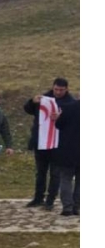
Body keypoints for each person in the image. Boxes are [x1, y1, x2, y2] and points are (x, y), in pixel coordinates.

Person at [23, 77, 76, 209]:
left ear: (67, 89)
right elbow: (29, 110)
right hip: (41, 140)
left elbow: (73, 122)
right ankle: (38, 198)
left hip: (58, 143)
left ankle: (50, 200)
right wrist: (32, 102)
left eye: (61, 90)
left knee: (55, 173)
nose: (58, 92)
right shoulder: (44, 98)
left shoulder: (71, 103)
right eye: (56, 89)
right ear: (53, 87)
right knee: (40, 172)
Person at [51, 97, 80, 216]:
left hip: (67, 150)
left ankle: (67, 207)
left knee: (66, 179)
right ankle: (77, 206)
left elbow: (58, 125)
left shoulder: (67, 107)